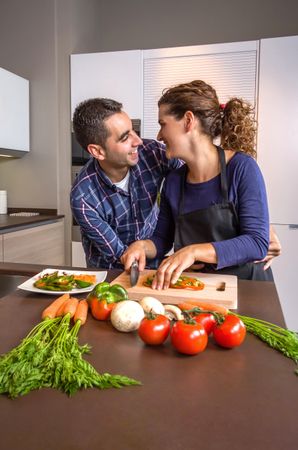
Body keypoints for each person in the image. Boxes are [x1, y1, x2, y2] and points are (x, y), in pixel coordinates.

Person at [121, 80, 278, 287]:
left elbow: (256, 243)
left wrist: (193, 251)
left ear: (188, 120)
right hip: (200, 289)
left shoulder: (242, 168)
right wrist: (141, 246)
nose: (159, 136)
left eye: (163, 124)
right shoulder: (174, 181)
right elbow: (161, 239)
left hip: (248, 289)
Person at [70, 98, 182, 269]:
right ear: (97, 151)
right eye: (125, 138)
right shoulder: (83, 197)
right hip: (110, 275)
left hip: (153, 261)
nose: (138, 141)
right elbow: (122, 256)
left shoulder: (153, 153)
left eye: (133, 131)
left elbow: (191, 177)